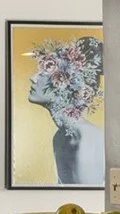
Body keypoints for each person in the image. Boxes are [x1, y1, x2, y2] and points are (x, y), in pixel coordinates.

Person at [26, 35, 105, 185]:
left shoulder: (86, 139)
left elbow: (86, 201)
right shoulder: (61, 137)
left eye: (43, 73)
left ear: (62, 83)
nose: (33, 78)